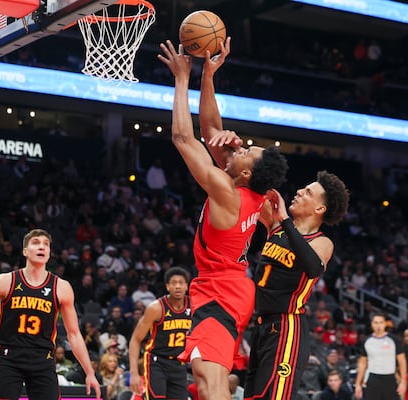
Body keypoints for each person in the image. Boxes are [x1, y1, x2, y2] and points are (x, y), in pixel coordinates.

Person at [158, 38, 288, 400]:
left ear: (248, 173)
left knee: (208, 381)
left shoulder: (229, 194)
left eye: (248, 152)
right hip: (230, 288)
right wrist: (209, 74)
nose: (241, 146)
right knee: (212, 381)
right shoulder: (245, 191)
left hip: (220, 291)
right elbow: (209, 132)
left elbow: (184, 138)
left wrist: (181, 77)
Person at [0, 229, 101, 400]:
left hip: (43, 359)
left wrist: (89, 372)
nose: (42, 247)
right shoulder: (6, 281)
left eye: (46, 244)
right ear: (25, 251)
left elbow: (74, 334)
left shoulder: (61, 287)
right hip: (9, 358)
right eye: (36, 243)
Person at [244, 170, 350, 399]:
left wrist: (284, 219)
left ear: (319, 209)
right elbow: (246, 183)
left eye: (308, 192)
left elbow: (312, 268)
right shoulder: (276, 225)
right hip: (260, 327)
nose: (299, 191)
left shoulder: (322, 242)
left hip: (287, 327)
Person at [128, 267, 191, 399]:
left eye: (181, 283)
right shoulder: (155, 308)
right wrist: (134, 373)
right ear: (168, 287)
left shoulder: (194, 306)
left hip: (179, 364)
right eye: (174, 283)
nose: (178, 286)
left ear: (186, 286)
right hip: (157, 362)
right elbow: (135, 339)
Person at [354, 312, 407, 400]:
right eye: (376, 322)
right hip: (373, 378)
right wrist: (358, 384)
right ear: (372, 324)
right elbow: (362, 363)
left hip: (390, 378)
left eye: (381, 322)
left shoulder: (393, 339)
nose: (378, 325)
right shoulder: (367, 341)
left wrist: (403, 382)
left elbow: (402, 361)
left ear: (385, 323)